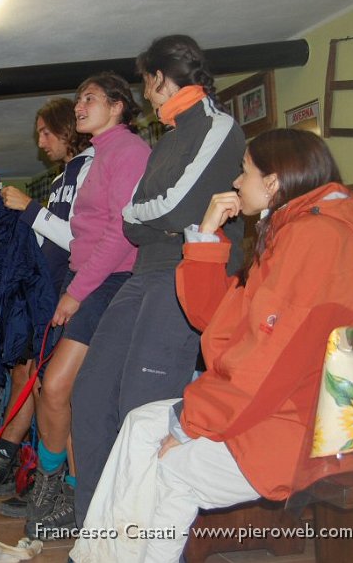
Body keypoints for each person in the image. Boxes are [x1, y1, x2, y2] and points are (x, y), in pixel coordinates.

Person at [69, 129, 353, 563]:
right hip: (294, 404)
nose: (235, 182)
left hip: (318, 425)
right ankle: (97, 557)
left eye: (244, 171)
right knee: (141, 424)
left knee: (174, 470)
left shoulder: (315, 239)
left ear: (273, 182)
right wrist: (206, 237)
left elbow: (267, 362)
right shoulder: (303, 228)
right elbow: (221, 324)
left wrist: (191, 424)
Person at [69, 35, 246, 527]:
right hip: (144, 273)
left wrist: (151, 218)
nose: (147, 96)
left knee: (140, 410)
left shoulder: (217, 125)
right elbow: (131, 218)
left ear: (162, 80)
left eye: (148, 85)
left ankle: (144, 538)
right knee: (91, 395)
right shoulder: (167, 138)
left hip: (185, 275)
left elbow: (178, 206)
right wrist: (152, 218)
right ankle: (97, 533)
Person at [20, 74, 150, 538]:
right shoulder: (100, 155)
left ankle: (65, 490)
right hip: (87, 279)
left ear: (117, 106)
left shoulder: (130, 151)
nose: (79, 105)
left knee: (58, 387)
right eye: (77, 99)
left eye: (89, 99)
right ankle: (65, 491)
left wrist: (76, 292)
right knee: (63, 392)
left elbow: (121, 232)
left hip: (111, 282)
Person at [0, 98, 93, 512]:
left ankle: (68, 488)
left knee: (59, 393)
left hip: (79, 297)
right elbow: (46, 243)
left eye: (44, 132)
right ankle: (31, 470)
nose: (39, 141)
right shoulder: (58, 182)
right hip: (47, 299)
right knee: (33, 381)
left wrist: (28, 210)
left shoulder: (90, 170)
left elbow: (82, 241)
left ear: (66, 130)